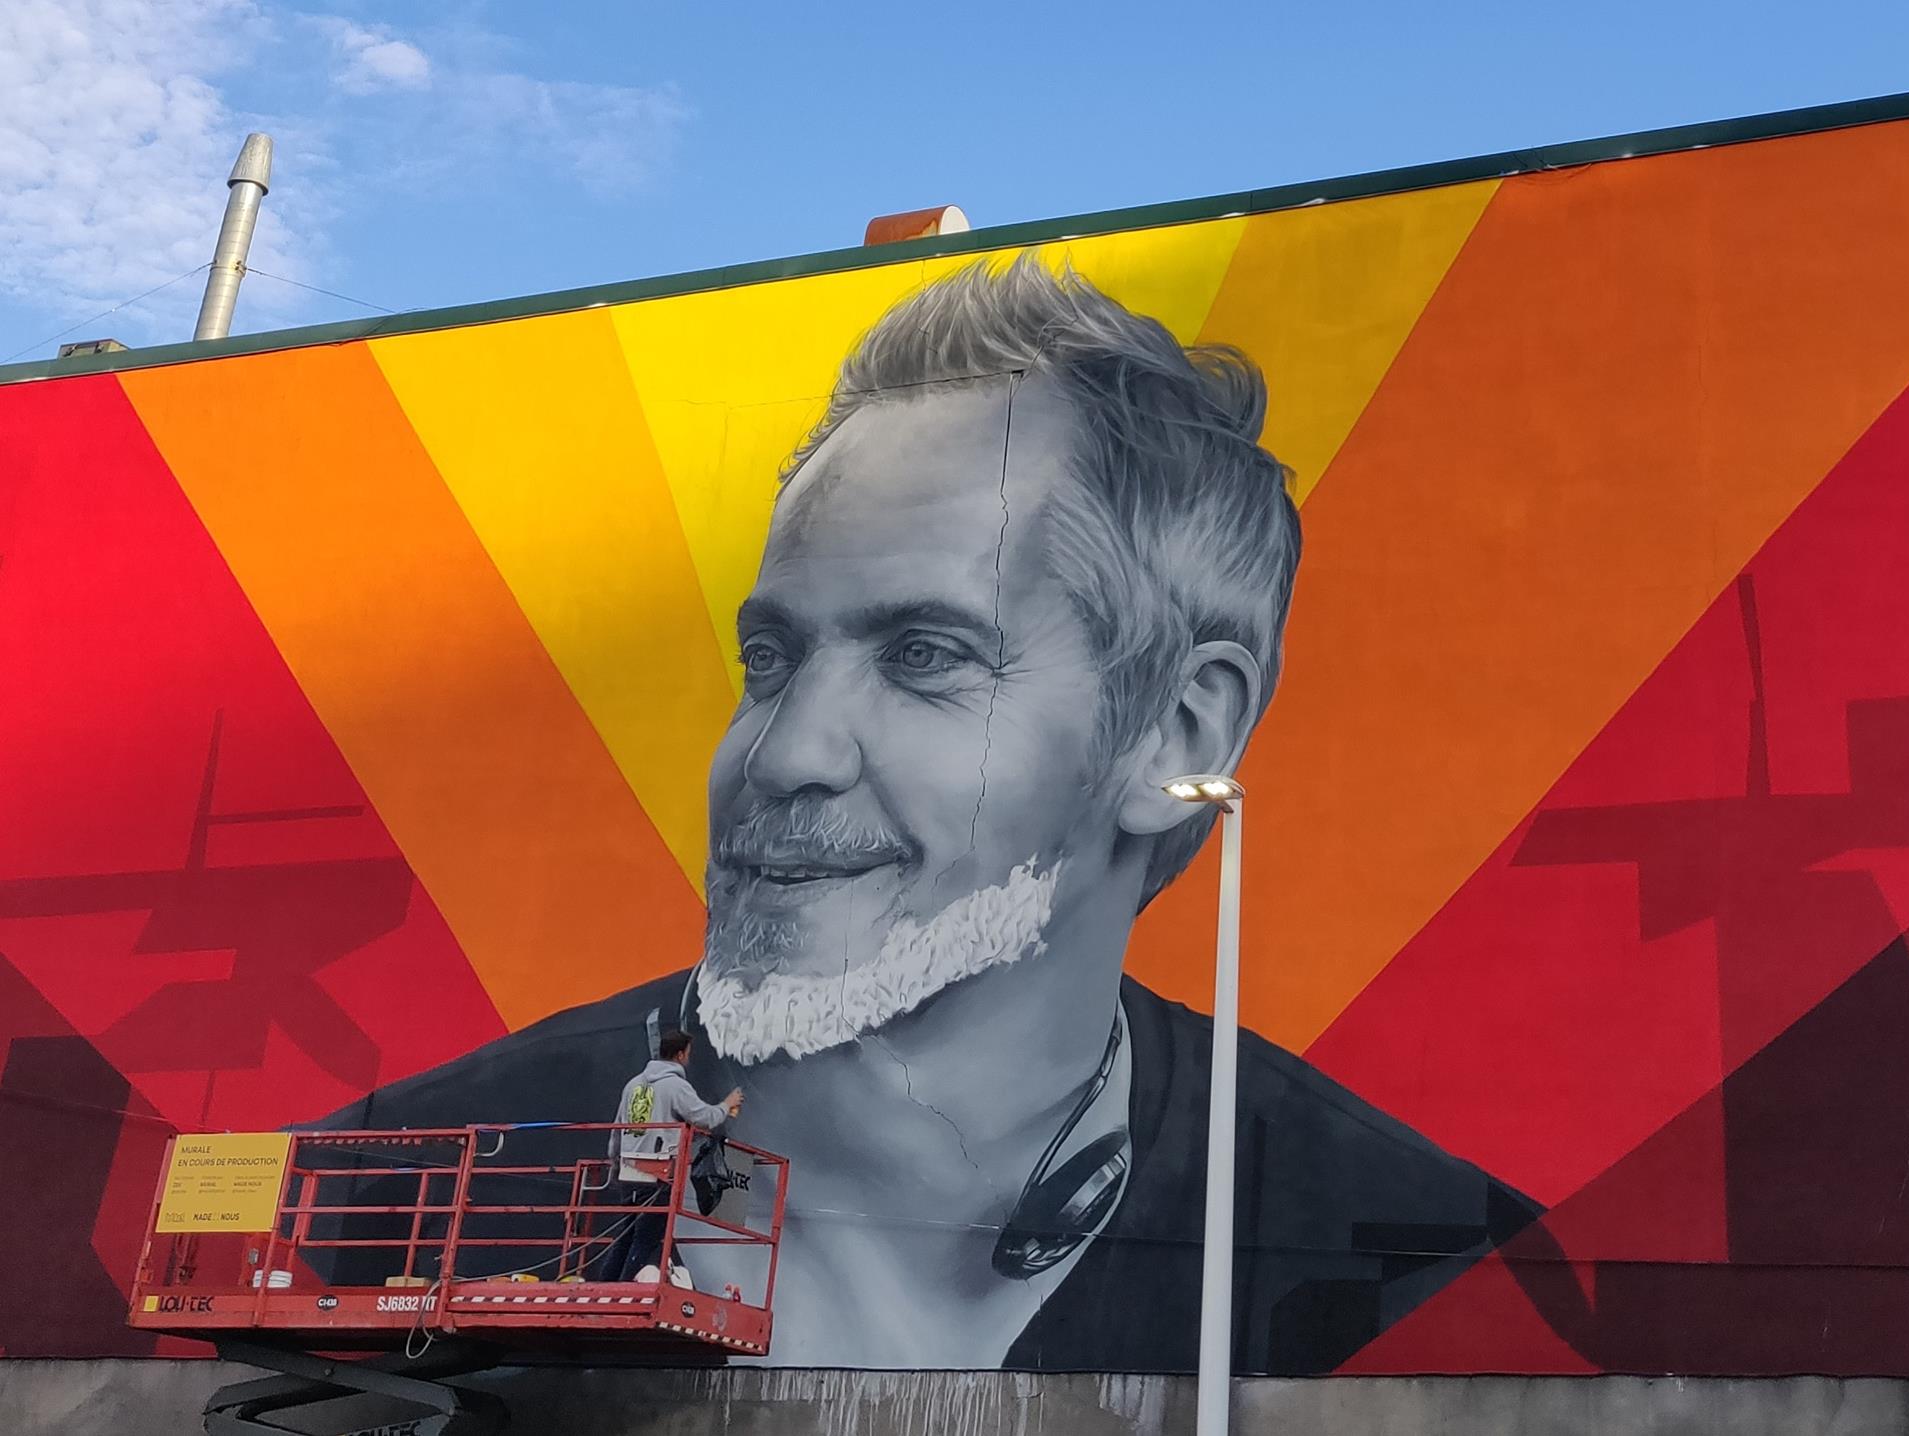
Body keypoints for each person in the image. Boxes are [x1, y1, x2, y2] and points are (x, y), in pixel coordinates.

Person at [320, 254, 1538, 1370]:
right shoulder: (373, 1191)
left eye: (923, 654)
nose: (784, 752)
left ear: (1175, 731)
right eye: (768, 657)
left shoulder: (1440, 1275)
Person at [590, 1029, 742, 1286]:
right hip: (657, 1173)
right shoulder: (676, 1087)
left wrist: (614, 1165)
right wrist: (727, 1105)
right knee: (646, 1238)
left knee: (627, 1236)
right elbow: (705, 1117)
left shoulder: (633, 1085)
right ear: (680, 1054)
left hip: (628, 1171)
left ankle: (604, 1287)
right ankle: (623, 1291)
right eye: (688, 1053)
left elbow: (617, 1131)